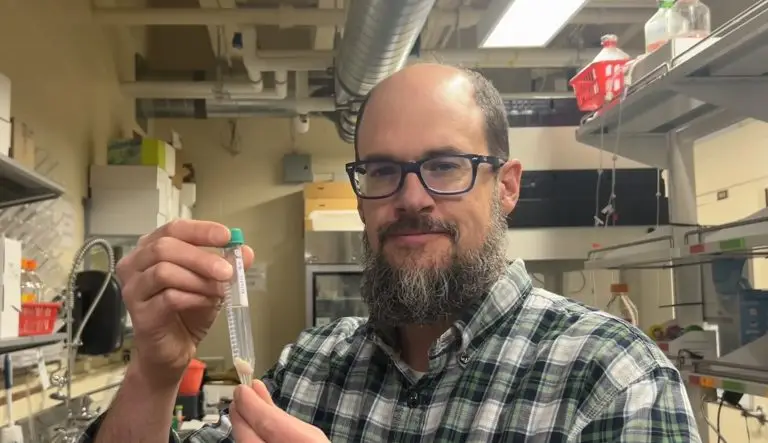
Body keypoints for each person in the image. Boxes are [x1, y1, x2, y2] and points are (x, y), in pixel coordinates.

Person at [80, 64, 701, 443]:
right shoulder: (312, 366)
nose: (410, 198)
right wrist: (155, 372)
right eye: (381, 170)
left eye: (446, 165)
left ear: (506, 186)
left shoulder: (611, 379)